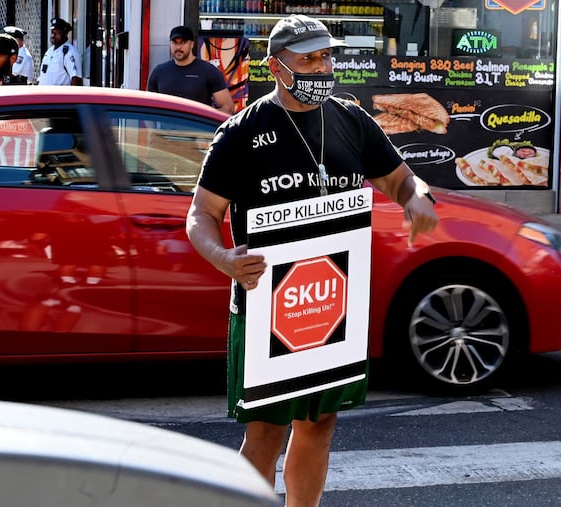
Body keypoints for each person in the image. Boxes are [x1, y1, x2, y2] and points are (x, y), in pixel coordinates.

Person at [185, 14, 438, 506]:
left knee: (320, 424)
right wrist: (222, 257)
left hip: (334, 301)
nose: (322, 68)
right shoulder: (241, 132)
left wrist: (418, 197)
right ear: (277, 67)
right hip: (269, 307)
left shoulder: (350, 118)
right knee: (265, 434)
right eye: (309, 59)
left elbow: (400, 178)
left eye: (326, 57)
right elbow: (201, 213)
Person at [147, 25, 235, 114]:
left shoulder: (208, 71)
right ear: (170, 44)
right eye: (175, 43)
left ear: (192, 44)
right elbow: (148, 109)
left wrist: (205, 120)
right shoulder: (159, 72)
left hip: (197, 127)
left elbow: (228, 107)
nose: (178, 47)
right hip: (166, 128)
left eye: (183, 42)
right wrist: (152, 128)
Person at [38, 18, 82, 86]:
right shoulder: (49, 51)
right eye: (52, 32)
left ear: (65, 34)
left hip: (58, 95)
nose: (53, 35)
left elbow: (76, 79)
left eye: (57, 32)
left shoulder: (69, 52)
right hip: (44, 93)